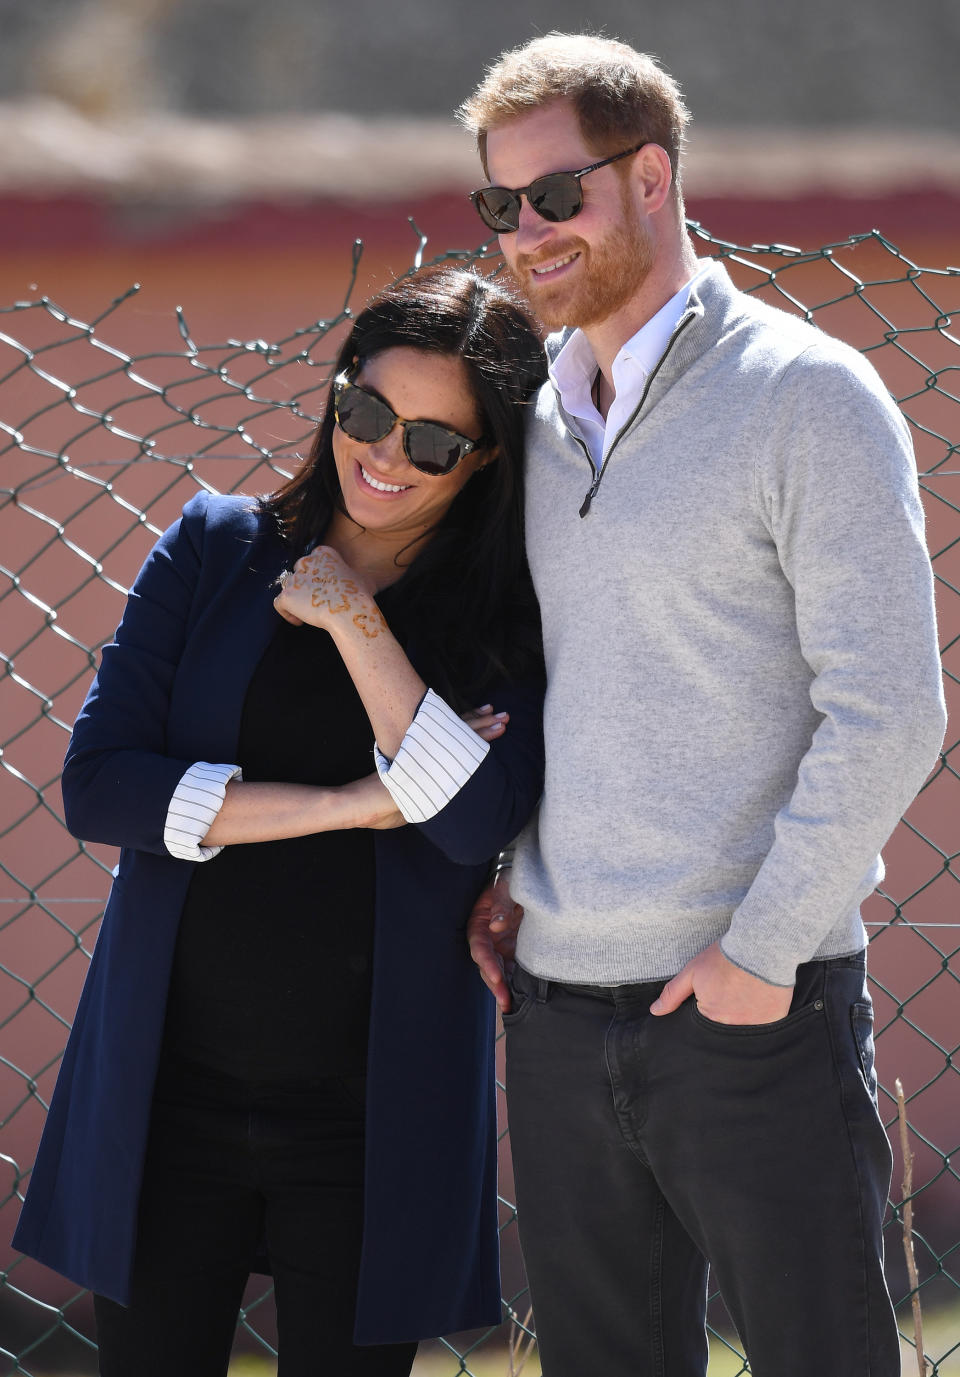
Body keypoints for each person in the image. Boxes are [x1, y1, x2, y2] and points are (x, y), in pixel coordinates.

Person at [456, 32, 947, 1377]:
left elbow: (894, 708)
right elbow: (557, 689)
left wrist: (761, 956)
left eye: (558, 195)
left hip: (754, 1010)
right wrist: (512, 872)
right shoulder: (533, 425)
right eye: (502, 206)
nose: (528, 234)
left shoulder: (807, 396)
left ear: (654, 176)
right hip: (554, 1013)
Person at [13, 266, 547, 1377]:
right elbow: (103, 786)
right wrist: (352, 804)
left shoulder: (508, 614)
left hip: (372, 1119)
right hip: (168, 1094)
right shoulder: (214, 549)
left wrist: (356, 624)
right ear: (338, 394)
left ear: (486, 456)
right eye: (366, 413)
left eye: (434, 443)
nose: (385, 456)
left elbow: (469, 824)